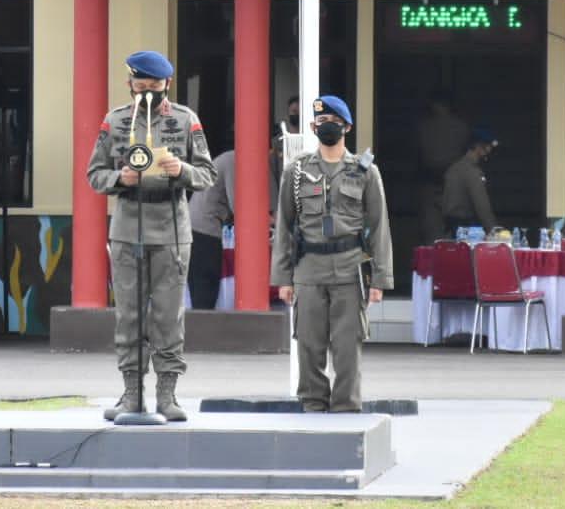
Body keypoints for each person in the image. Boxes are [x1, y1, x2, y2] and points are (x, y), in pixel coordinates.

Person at [86, 50, 215, 421]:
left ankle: (167, 395)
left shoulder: (186, 120)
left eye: (154, 86)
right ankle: (131, 394)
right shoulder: (115, 121)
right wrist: (119, 178)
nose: (147, 92)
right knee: (129, 315)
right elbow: (94, 174)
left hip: (172, 229)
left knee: (168, 316)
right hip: (129, 227)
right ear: (130, 84)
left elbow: (207, 174)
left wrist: (182, 169)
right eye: (140, 85)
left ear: (167, 84)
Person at [271, 95, 394, 413]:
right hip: (309, 267)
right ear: (313, 127)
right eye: (322, 122)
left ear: (347, 127)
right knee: (308, 343)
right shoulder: (297, 171)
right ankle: (313, 403)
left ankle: (346, 406)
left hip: (350, 267)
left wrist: (380, 279)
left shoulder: (365, 171)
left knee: (347, 345)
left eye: (334, 123)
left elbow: (379, 227)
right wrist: (283, 278)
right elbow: (284, 227)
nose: (328, 127)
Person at [187, 125, 283, 310]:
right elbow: (243, 209)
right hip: (203, 231)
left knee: (205, 289)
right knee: (205, 290)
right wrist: (281, 224)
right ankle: (200, 328)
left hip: (203, 230)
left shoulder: (239, 160)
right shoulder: (237, 160)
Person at [417, 93, 470, 243]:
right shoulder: (460, 126)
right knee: (451, 227)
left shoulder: (425, 127)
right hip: (443, 181)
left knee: (437, 229)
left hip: (439, 180)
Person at [441, 126, 500, 237]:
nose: (489, 150)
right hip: (467, 232)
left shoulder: (453, 168)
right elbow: (482, 207)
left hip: (449, 231)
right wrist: (494, 232)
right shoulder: (472, 172)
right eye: (488, 146)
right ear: (478, 146)